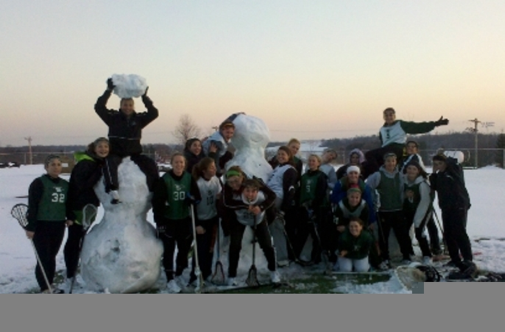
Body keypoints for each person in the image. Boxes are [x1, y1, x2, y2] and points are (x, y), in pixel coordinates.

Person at [95, 78, 159, 203]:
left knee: (150, 164)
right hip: (116, 152)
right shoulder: (112, 117)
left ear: (133, 106)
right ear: (120, 105)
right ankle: (113, 190)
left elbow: (154, 113)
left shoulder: (139, 119)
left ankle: (155, 190)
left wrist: (144, 97)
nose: (127, 108)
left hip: (135, 154)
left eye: (130, 105)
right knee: (109, 163)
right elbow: (99, 107)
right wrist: (108, 91)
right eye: (125, 105)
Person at [152, 153, 202, 293]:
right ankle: (170, 278)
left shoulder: (188, 178)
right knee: (169, 250)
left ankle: (179, 273)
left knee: (184, 248)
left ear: (184, 164)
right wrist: (159, 221)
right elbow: (157, 203)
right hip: (169, 220)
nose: (179, 165)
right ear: (172, 163)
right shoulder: (165, 180)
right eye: (176, 162)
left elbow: (197, 196)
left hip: (184, 219)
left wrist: (191, 199)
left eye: (181, 162)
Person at [63, 137, 109, 287]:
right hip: (78, 209)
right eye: (100, 147)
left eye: (106, 147)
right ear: (94, 149)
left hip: (88, 209)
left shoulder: (96, 163)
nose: (103, 149)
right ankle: (70, 276)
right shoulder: (86, 163)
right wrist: (99, 171)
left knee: (79, 240)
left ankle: (73, 273)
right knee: (74, 242)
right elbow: (81, 185)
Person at [26, 155, 74, 293]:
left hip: (58, 224)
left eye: (59, 164)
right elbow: (33, 206)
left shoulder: (65, 185)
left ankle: (50, 284)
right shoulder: (38, 183)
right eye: (52, 164)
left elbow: (68, 203)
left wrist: (70, 217)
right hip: (42, 225)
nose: (56, 167)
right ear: (46, 167)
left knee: (51, 256)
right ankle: (44, 287)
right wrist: (31, 227)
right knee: (43, 257)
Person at [221, 171, 280, 286]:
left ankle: (274, 271)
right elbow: (227, 204)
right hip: (240, 220)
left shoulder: (261, 197)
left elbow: (272, 197)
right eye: (247, 191)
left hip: (258, 220)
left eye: (253, 192)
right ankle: (231, 276)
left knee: (267, 245)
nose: (250, 194)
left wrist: (261, 207)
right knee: (235, 246)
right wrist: (244, 206)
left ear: (258, 191)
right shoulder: (236, 196)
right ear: (243, 189)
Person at [362, 107, 449, 178]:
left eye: (391, 115)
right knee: (366, 166)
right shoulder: (382, 129)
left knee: (369, 154)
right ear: (384, 117)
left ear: (394, 116)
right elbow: (383, 143)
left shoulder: (400, 124)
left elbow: (417, 127)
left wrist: (434, 124)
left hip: (397, 148)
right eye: (386, 115)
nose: (389, 117)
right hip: (386, 149)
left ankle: (380, 176)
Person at [430, 153, 476, 279]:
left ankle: (467, 259)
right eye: (435, 164)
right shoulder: (439, 175)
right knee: (448, 234)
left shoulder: (454, 171)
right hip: (446, 208)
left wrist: (446, 159)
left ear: (446, 163)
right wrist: (434, 173)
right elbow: (434, 186)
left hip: (458, 206)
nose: (438, 166)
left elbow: (453, 163)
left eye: (440, 163)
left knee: (459, 232)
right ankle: (455, 258)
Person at [366, 152, 414, 269]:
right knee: (383, 237)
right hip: (383, 211)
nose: (391, 163)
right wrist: (374, 201)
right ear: (384, 162)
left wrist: (406, 196)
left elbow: (401, 192)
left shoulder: (401, 176)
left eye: (393, 161)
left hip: (398, 210)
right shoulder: (378, 175)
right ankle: (385, 258)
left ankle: (407, 256)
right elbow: (368, 188)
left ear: (396, 161)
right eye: (388, 161)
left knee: (402, 235)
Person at [400, 140, 442, 255]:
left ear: (417, 149)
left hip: (421, 193)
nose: (410, 149)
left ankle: (435, 246)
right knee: (428, 223)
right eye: (408, 147)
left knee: (427, 222)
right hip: (412, 195)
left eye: (413, 147)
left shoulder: (415, 158)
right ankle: (434, 246)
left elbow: (420, 173)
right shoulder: (406, 159)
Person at [188, 157, 222, 288]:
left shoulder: (216, 180)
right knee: (200, 250)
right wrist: (196, 224)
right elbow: (193, 207)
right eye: (211, 167)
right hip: (201, 220)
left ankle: (206, 273)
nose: (215, 169)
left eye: (215, 166)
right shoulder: (197, 183)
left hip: (212, 218)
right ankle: (195, 276)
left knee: (210, 249)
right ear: (203, 171)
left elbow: (219, 195)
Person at [266, 146, 299, 267]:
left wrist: (284, 210)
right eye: (279, 154)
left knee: (276, 225)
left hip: (277, 198)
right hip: (269, 196)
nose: (280, 156)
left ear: (289, 156)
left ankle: (282, 257)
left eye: (283, 154)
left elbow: (290, 190)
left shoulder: (290, 170)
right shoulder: (277, 168)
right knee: (271, 225)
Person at [296, 154, 330, 264]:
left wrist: (313, 206)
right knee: (302, 233)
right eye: (310, 161)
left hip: (317, 208)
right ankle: (297, 255)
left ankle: (315, 258)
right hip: (303, 208)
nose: (311, 163)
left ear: (318, 163)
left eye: (314, 161)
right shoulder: (304, 176)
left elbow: (321, 193)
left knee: (316, 234)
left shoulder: (321, 176)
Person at [403, 161, 434, 265]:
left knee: (419, 232)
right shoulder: (404, 181)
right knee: (404, 231)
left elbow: (425, 202)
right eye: (409, 168)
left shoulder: (422, 183)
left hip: (422, 210)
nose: (411, 171)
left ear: (418, 171)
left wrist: (418, 219)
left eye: (414, 169)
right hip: (408, 210)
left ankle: (427, 254)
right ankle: (409, 253)